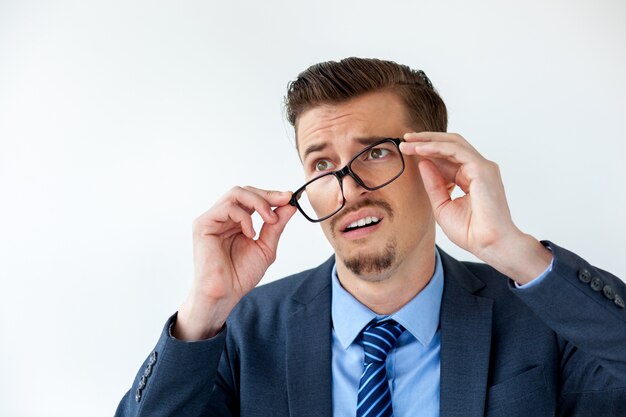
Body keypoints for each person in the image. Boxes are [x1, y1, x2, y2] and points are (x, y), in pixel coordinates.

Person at [115, 58, 626, 417]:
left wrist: (517, 253)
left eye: (375, 152)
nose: (349, 189)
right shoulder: (245, 329)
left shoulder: (542, 315)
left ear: (438, 164)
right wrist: (203, 309)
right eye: (321, 164)